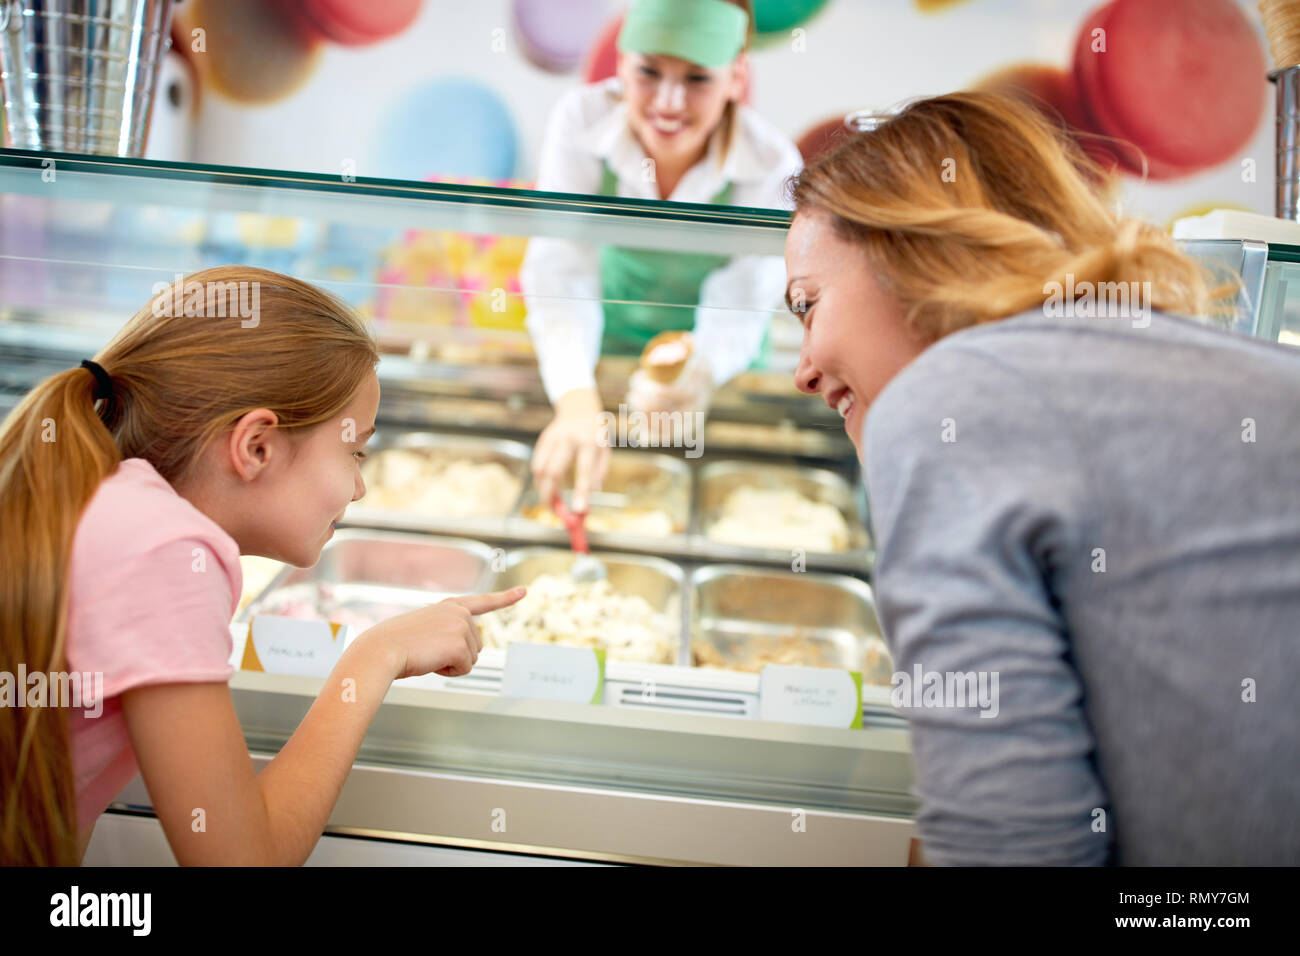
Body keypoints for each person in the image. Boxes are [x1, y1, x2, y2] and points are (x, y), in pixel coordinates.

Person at [785, 91, 1300, 865]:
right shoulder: (1233, 367)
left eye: (806, 305)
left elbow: (1014, 851)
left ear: (909, 252)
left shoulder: (952, 404)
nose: (801, 371)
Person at [0, 267, 525, 865]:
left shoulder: (103, 495)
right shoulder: (166, 554)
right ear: (256, 447)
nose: (358, 488)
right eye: (354, 452)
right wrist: (377, 656)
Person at [521, 0, 802, 510]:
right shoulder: (581, 120)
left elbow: (742, 296)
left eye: (697, 79)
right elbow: (561, 266)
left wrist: (699, 373)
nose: (669, 103)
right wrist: (576, 397)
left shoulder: (770, 163)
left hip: (723, 366)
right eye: (648, 72)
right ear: (622, 64)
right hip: (603, 346)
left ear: (736, 78)